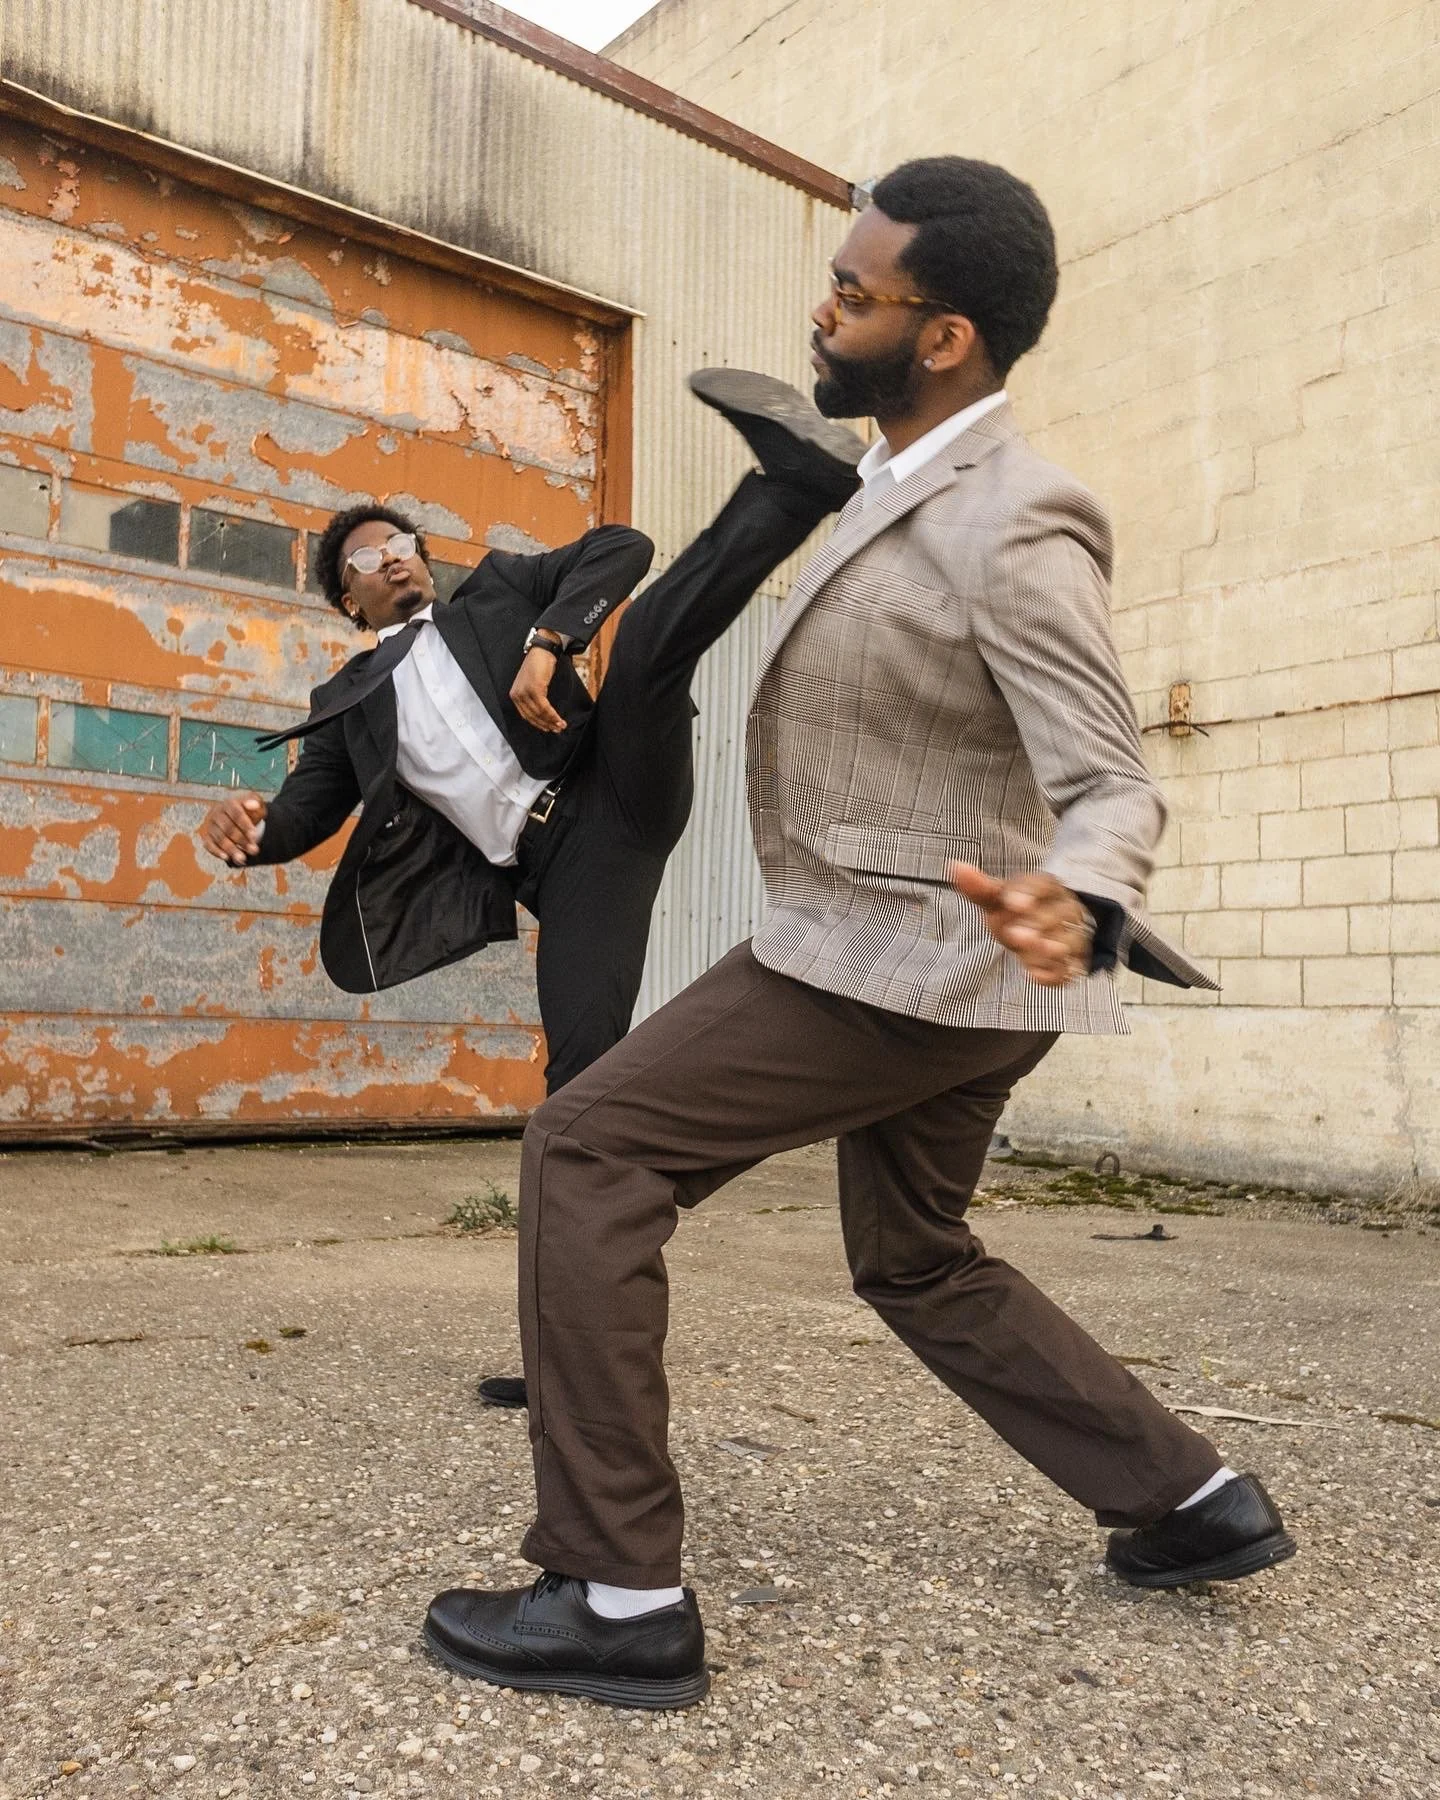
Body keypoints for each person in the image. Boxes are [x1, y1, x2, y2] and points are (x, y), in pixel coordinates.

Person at [421, 156, 1297, 1712]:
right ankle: (1185, 1499)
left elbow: (1106, 775)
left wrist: (1084, 897)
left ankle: (617, 1590)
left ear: (941, 336)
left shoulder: (1019, 518)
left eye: (852, 291)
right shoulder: (899, 483)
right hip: (964, 969)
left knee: (593, 1151)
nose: (821, 309)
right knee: (919, 1256)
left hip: (900, 957)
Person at [196, 372, 865, 1099]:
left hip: (610, 778)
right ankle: (605, 1197)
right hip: (565, 872)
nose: (389, 555)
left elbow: (623, 546)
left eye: (398, 541)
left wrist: (549, 639)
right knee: (579, 1080)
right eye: (364, 558)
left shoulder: (498, 591)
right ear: (347, 603)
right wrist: (251, 830)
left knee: (642, 638)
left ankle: (796, 488)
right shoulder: (348, 704)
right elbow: (304, 814)